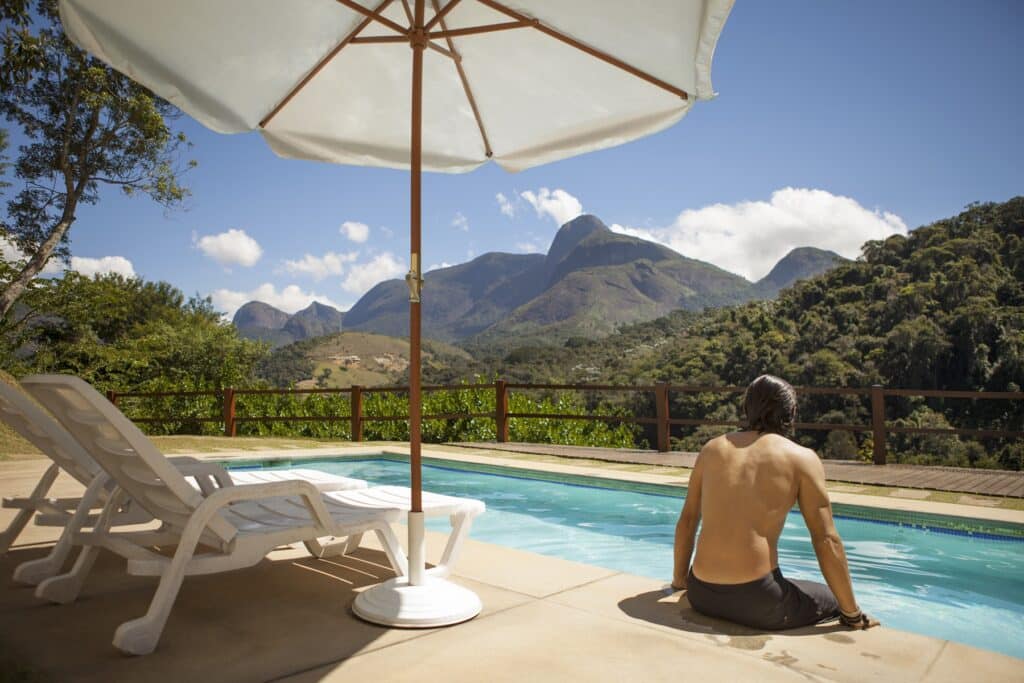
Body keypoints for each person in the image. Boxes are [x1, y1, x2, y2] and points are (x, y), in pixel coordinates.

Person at [671, 374, 878, 631]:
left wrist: (681, 581)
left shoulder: (712, 449)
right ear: (790, 412)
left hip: (701, 595)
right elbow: (826, 539)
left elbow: (688, 520)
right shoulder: (801, 458)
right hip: (759, 602)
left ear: (747, 409)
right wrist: (852, 614)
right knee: (830, 596)